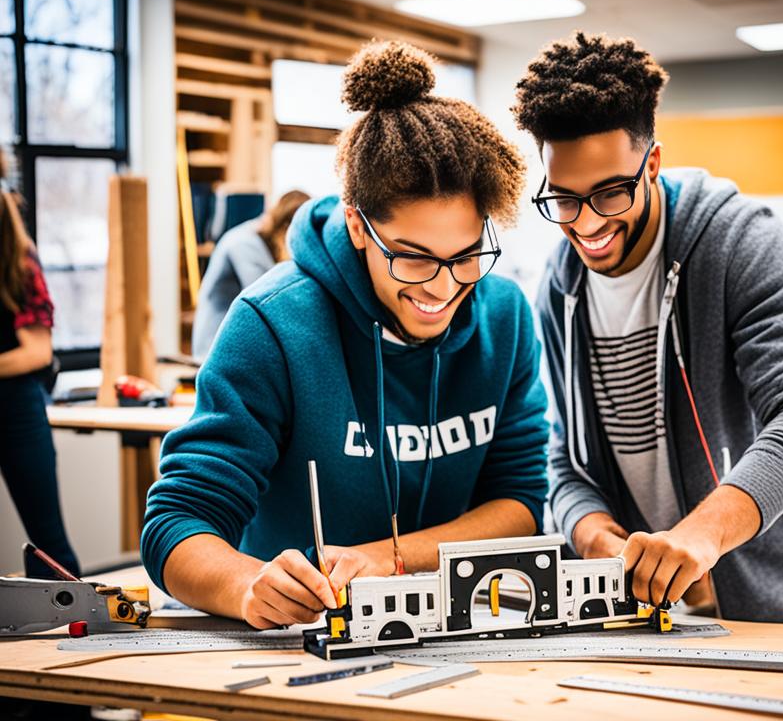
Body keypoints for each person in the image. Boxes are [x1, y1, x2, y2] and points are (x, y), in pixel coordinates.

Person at [142, 41, 549, 629]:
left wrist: (389, 558)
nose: (443, 287)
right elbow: (177, 522)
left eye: (465, 256)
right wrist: (246, 586)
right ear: (358, 224)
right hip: (300, 639)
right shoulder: (273, 324)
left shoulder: (504, 316)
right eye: (412, 258)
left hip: (457, 631)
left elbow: (518, 502)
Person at [512, 32, 783, 624]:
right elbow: (565, 456)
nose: (587, 223)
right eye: (564, 199)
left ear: (653, 163)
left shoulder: (736, 240)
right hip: (638, 614)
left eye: (610, 193)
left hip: (767, 601)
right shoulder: (560, 284)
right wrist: (588, 530)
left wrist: (703, 535)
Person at [0, 152, 80, 579]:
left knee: (48, 543)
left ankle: (73, 625)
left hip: (15, 407)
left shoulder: (17, 256)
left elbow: (36, 352)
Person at [191, 189, 310, 359]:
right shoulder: (243, 243)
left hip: (230, 347)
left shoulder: (260, 241)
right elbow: (271, 301)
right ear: (285, 228)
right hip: (212, 352)